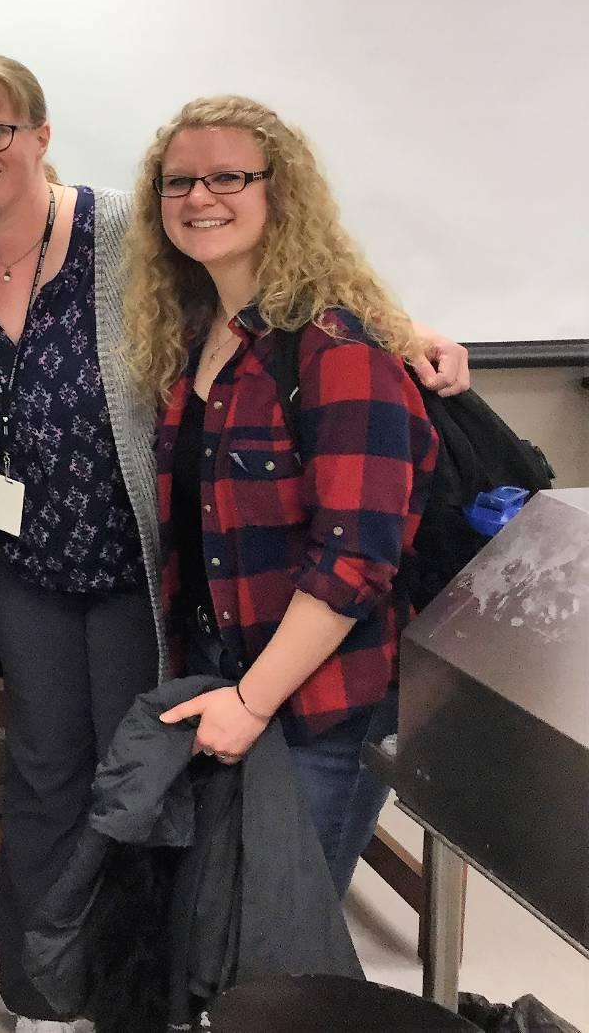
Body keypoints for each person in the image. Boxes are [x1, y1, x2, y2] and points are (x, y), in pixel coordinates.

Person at [0, 56, 467, 1033]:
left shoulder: (127, 231)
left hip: (137, 571)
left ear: (39, 134)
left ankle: (126, 989)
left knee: (138, 783)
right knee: (41, 770)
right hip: (23, 560)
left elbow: (297, 283)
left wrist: (400, 326)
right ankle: (40, 990)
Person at [128, 95, 437, 892]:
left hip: (315, 708)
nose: (199, 198)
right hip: (221, 674)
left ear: (281, 193)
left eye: (229, 176)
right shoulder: (199, 341)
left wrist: (253, 702)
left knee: (283, 946)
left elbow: (355, 562)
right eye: (178, 182)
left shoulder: (339, 353)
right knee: (227, 927)